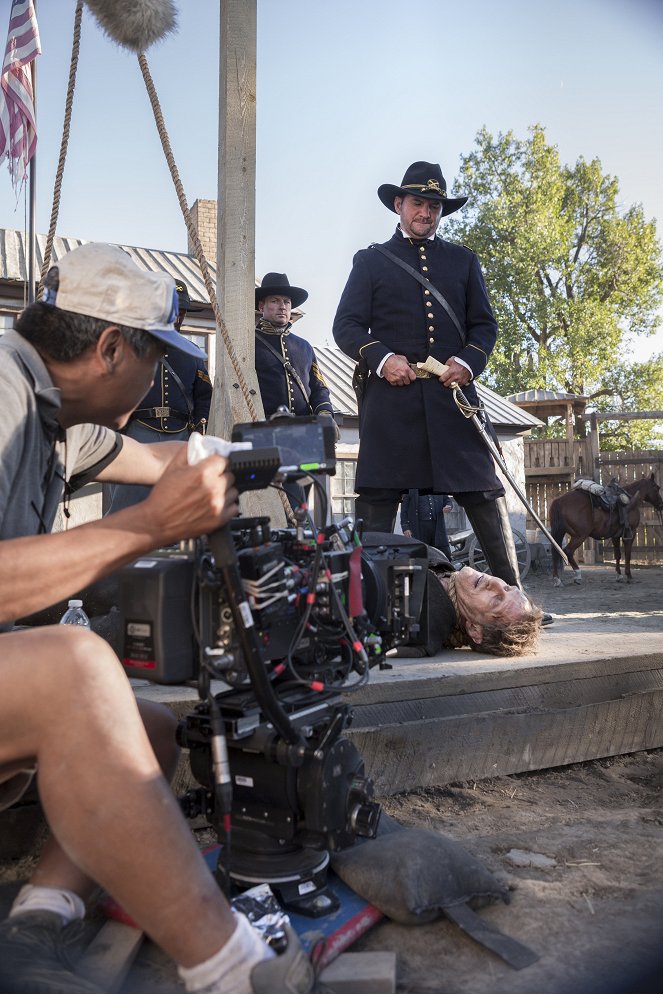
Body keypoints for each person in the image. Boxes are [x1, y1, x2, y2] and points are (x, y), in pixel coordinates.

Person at [0, 243, 317, 994]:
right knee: (76, 666)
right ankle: (233, 969)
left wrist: (253, 460)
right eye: (157, 357)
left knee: (151, 728)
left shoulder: (55, 415)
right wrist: (148, 528)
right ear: (111, 347)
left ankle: (37, 921)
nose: (161, 378)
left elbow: (160, 460)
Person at [333, 160, 522, 589]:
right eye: (418, 202)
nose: (426, 213)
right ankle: (361, 603)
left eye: (434, 206)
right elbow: (345, 326)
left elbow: (484, 328)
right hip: (392, 403)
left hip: (452, 400)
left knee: (483, 491)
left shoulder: (463, 260)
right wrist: (382, 359)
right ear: (398, 204)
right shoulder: (370, 261)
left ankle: (515, 594)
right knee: (378, 497)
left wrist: (467, 363)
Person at [106, 279, 212, 512]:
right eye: (174, 311)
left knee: (178, 504)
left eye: (183, 312)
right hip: (138, 431)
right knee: (127, 504)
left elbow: (204, 396)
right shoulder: (132, 346)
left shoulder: (192, 353)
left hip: (180, 432)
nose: (178, 317)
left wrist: (197, 429)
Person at [255, 272, 337, 510]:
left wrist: (325, 415)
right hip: (267, 433)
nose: (282, 307)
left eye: (286, 302)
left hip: (303, 435)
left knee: (306, 499)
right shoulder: (249, 342)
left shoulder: (303, 346)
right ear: (262, 306)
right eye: (275, 301)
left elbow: (319, 387)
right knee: (275, 499)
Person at [400, 490, 453, 558]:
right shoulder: (410, 488)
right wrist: (405, 527)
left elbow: (447, 500)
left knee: (443, 551)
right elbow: (404, 509)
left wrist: (448, 506)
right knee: (421, 552)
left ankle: (446, 567)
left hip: (437, 526)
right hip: (419, 527)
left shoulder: (438, 487)